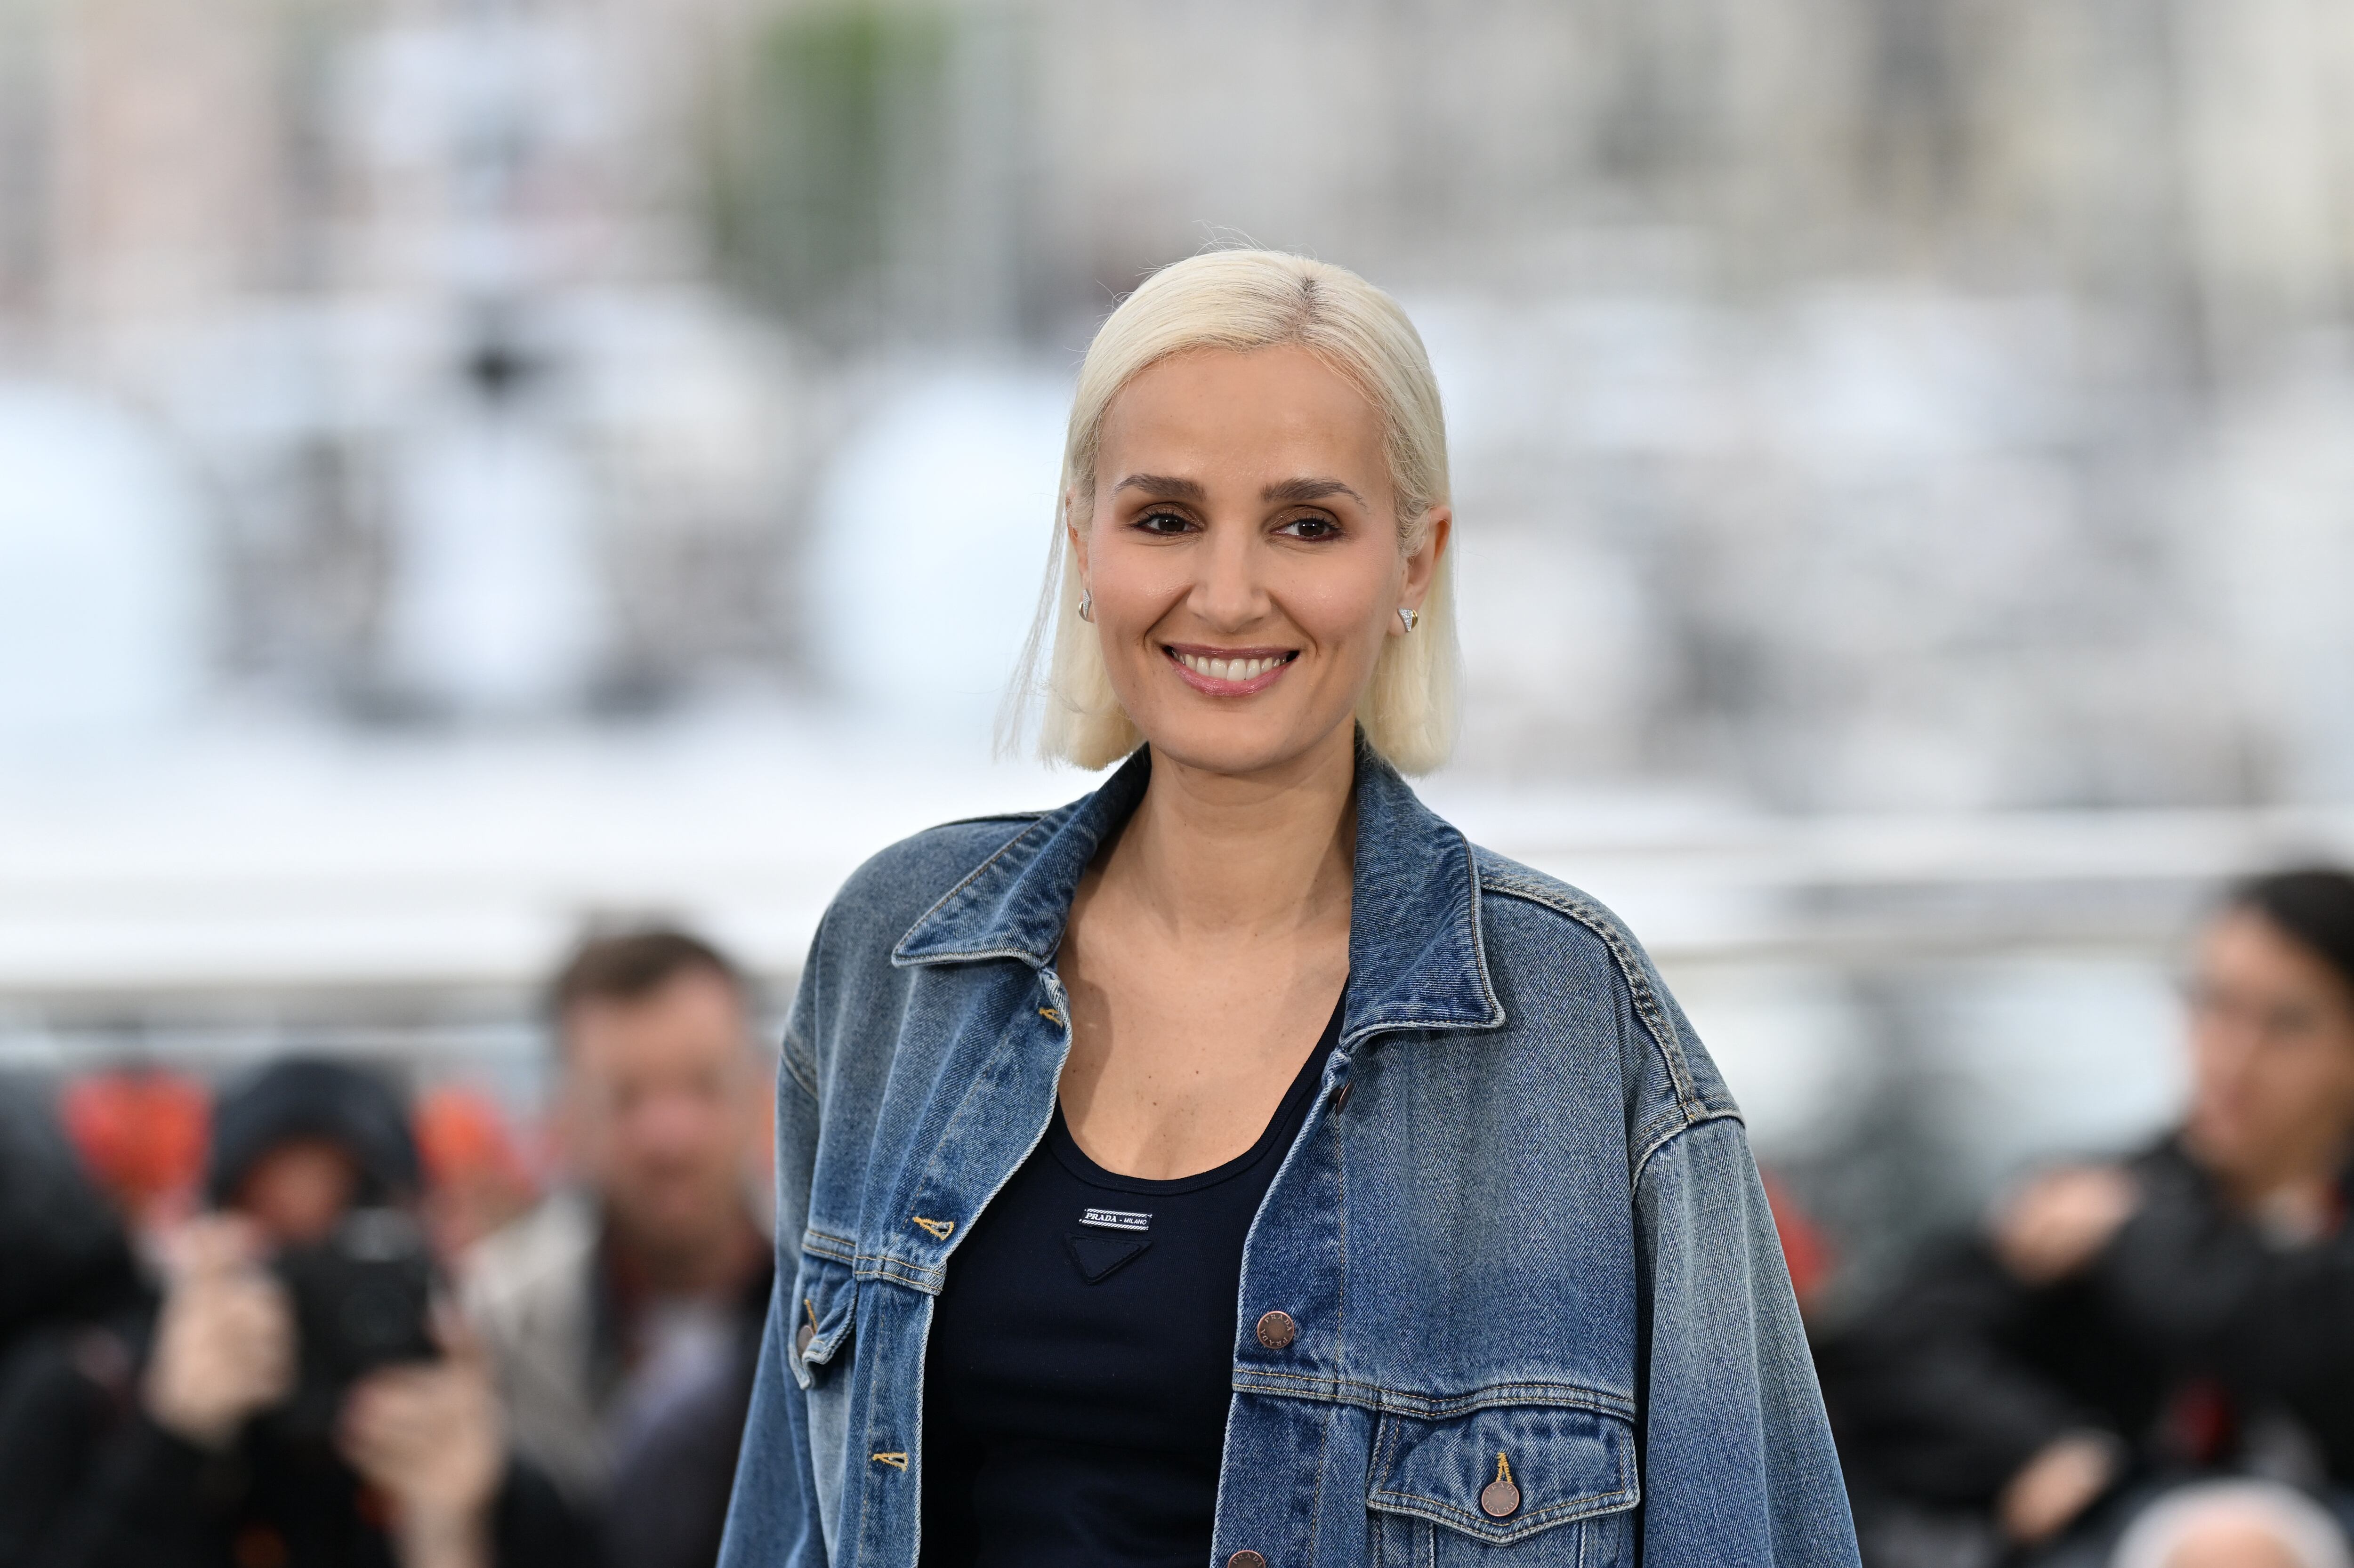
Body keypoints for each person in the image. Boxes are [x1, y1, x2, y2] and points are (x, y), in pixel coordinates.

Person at [717, 249, 1857, 1568]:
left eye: (1307, 524)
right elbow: (789, 1519)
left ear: (1415, 558)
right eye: (1165, 518)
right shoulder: (898, 959)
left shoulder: (1574, 1023)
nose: (1226, 592)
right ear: (1081, 540)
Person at [1829, 868, 2354, 1566]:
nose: (2234, 1055)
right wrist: (2040, 1443)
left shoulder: (2116, 1212)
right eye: (2214, 1004)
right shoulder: (2112, 1187)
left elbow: (2300, 1324)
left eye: (2285, 1022)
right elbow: (1897, 1339)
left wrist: (2130, 1236)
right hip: (2125, 1520)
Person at [0, 1056, 582, 1568]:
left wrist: (451, 1539)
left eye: (348, 1247)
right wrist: (173, 1444)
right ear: (202, 1242)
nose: (310, 1298)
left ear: (424, 1242)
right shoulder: (88, 1405)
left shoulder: (492, 1468)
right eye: (277, 1251)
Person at [464, 931, 773, 1568]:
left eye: (703, 1085)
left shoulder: (858, 1301)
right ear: (564, 1114)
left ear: (761, 1091)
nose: (669, 1135)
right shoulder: (490, 1325)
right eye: (625, 1096)